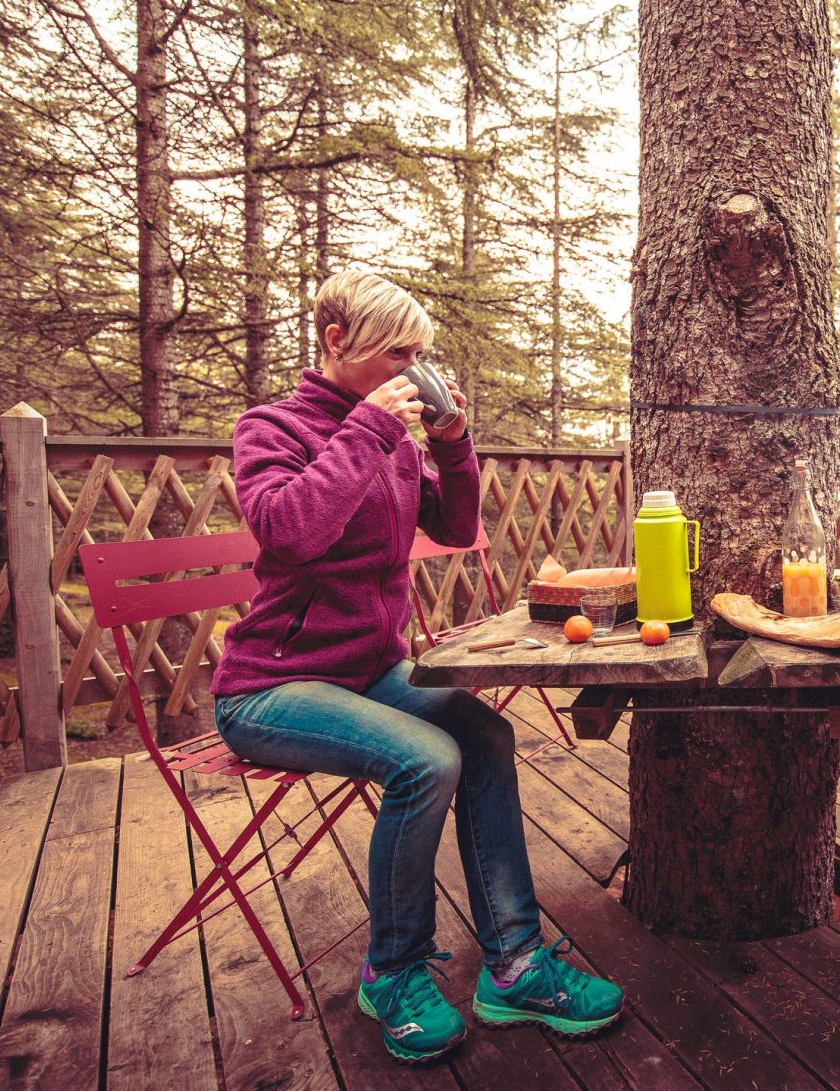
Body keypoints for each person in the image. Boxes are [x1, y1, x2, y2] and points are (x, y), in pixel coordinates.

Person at [211, 270, 623, 1063]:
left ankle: (514, 964)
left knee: (487, 737)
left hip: (369, 673)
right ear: (338, 342)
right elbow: (290, 531)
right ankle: (392, 971)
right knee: (426, 759)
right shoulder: (273, 427)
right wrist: (367, 430)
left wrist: (452, 443)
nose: (412, 365)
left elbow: (460, 525)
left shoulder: (395, 434)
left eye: (420, 353)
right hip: (271, 687)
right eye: (399, 349)